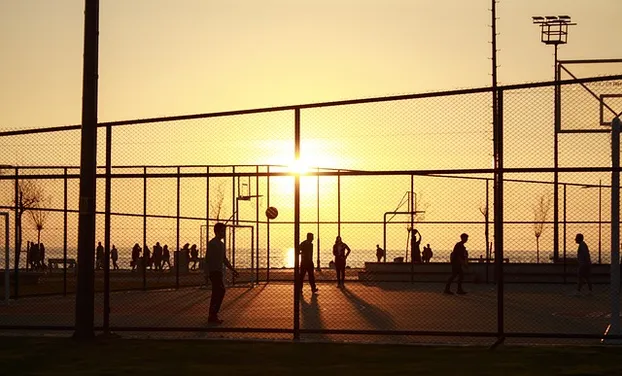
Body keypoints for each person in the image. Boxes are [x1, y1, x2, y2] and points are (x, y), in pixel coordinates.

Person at [205, 223, 238, 324]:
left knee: (218, 292)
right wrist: (206, 273)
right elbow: (207, 259)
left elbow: (224, 259)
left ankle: (212, 314)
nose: (224, 233)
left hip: (219, 272)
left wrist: (233, 269)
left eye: (224, 231)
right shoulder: (212, 244)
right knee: (219, 291)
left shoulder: (221, 245)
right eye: (222, 231)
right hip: (213, 272)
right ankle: (212, 315)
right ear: (217, 232)